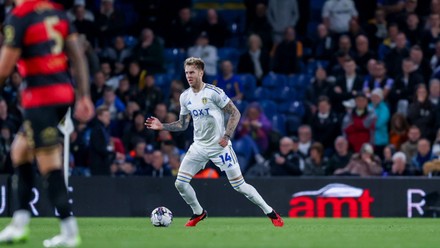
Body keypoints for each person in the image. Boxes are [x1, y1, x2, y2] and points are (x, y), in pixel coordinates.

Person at [145, 57, 283, 227]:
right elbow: (182, 124)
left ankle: (270, 212)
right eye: (187, 72)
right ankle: (198, 212)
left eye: (192, 72)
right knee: (180, 183)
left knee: (239, 186)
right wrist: (162, 126)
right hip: (199, 147)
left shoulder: (213, 92)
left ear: (201, 72)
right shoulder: (185, 97)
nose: (189, 76)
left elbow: (235, 113)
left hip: (220, 147)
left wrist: (226, 136)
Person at [0, 0, 94, 246]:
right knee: (19, 151)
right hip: (63, 96)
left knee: (48, 163)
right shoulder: (57, 12)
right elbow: (77, 56)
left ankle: (69, 231)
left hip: (40, 99)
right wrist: (84, 95)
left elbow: (4, 67)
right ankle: (19, 223)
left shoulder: (19, 16)